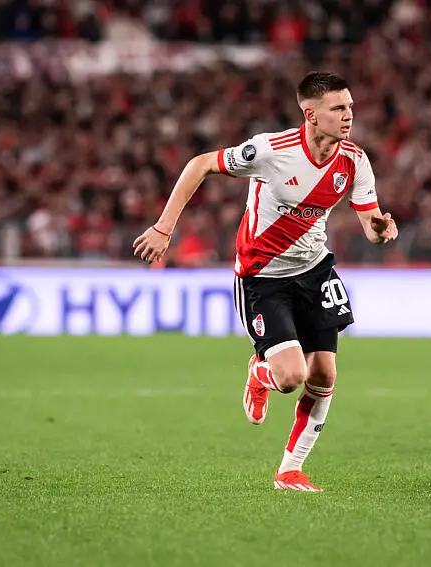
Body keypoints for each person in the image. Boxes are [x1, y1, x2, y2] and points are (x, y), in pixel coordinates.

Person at [132, 72, 398, 492]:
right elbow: (200, 164)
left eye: (350, 107)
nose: (349, 115)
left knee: (325, 375)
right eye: (338, 108)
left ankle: (290, 470)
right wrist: (165, 228)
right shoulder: (272, 150)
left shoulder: (354, 160)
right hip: (263, 277)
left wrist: (381, 229)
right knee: (291, 377)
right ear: (310, 114)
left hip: (315, 271)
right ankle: (261, 373)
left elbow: (370, 220)